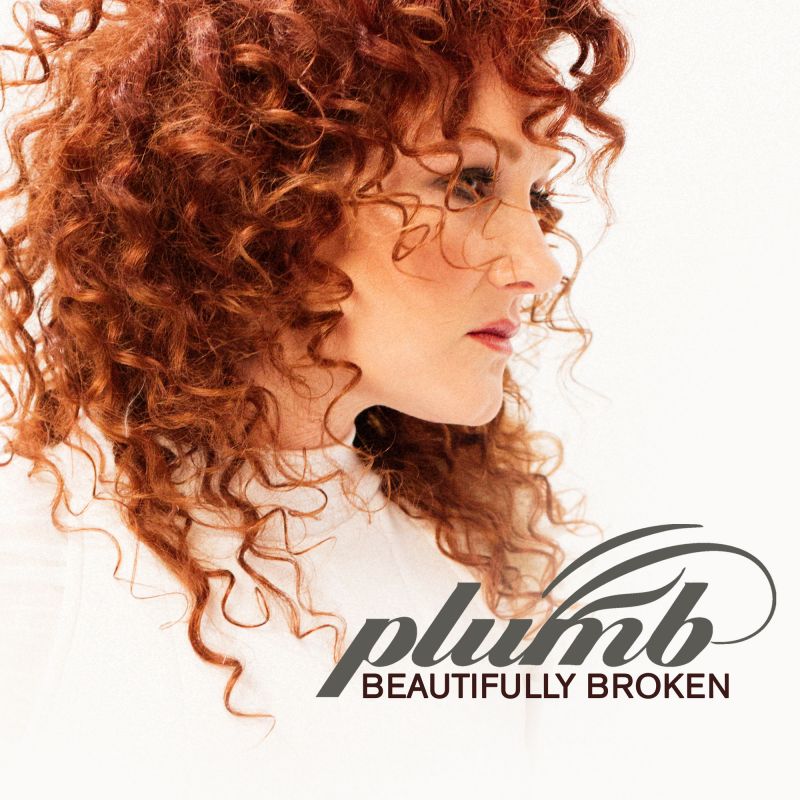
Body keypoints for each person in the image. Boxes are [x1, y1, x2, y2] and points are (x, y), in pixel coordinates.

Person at [0, 0, 630, 796]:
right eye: (468, 183)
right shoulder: (41, 554)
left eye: (535, 198)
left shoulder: (477, 563)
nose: (538, 265)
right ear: (270, 200)